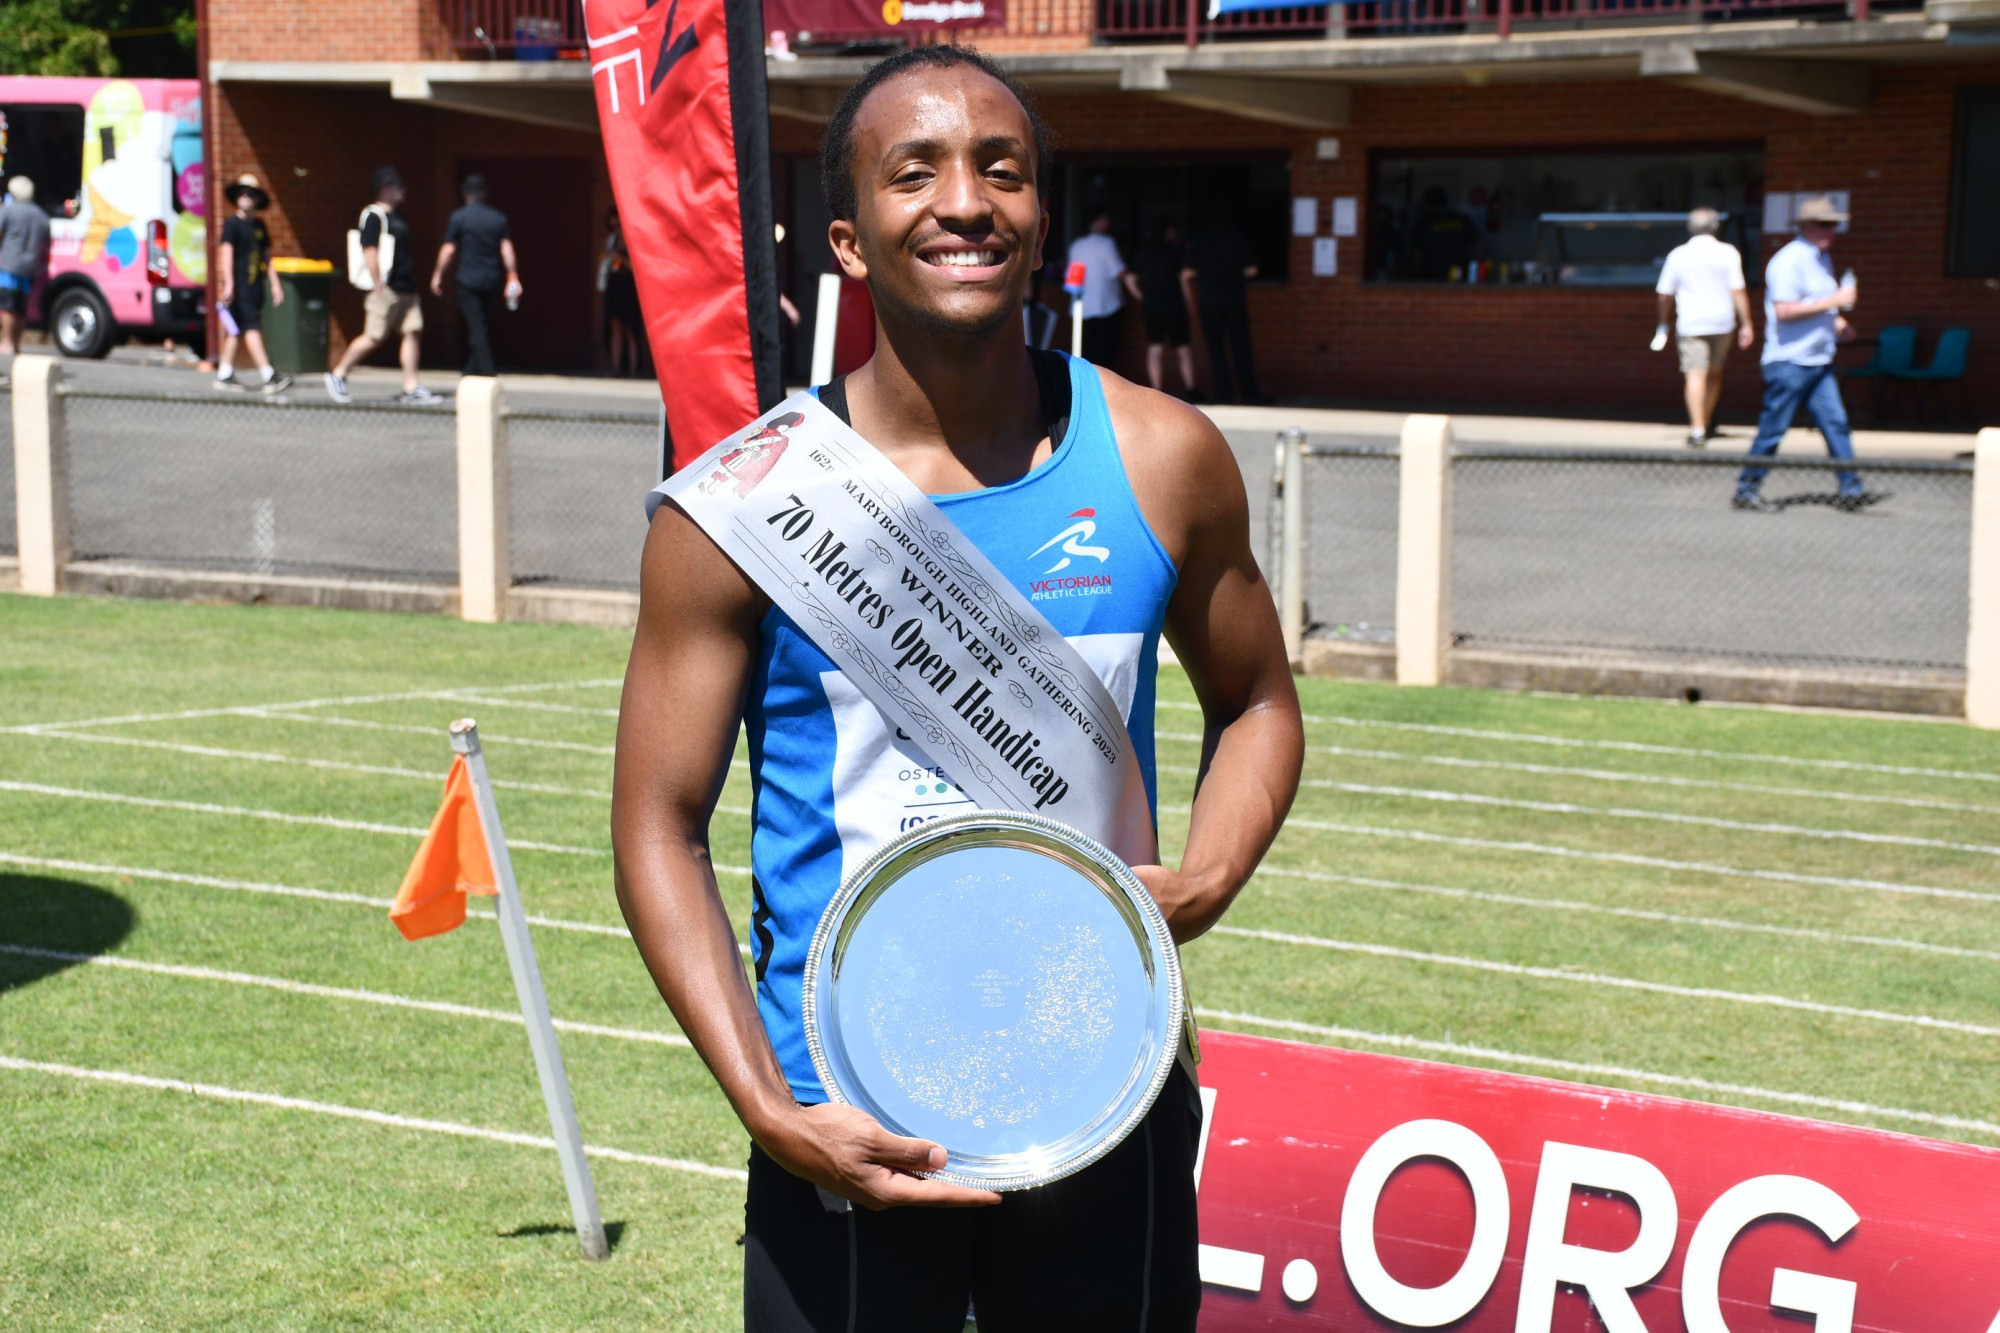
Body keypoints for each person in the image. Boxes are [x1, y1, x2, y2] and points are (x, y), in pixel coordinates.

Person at [610, 43, 1302, 1333]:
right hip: (844, 1107)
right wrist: (768, 1104)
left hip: (1098, 1085)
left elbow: (1257, 699)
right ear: (849, 239)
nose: (964, 202)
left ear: (1041, 220)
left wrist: (1209, 871)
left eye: (1002, 170)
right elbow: (656, 820)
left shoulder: (1162, 456)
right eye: (912, 172)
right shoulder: (745, 507)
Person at [1734, 196, 1883, 514]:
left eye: (1834, 224)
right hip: (1789, 362)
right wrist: (1834, 303)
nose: (1831, 230)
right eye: (1824, 224)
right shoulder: (1789, 261)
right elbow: (1785, 311)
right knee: (1773, 429)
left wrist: (1839, 322)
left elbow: (1816, 301)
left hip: (1819, 360)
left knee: (1837, 424)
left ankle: (1851, 488)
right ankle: (1747, 490)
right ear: (1805, 226)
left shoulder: (1820, 258)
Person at [325, 166, 435, 406]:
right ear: (385, 188)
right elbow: (369, 249)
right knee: (374, 336)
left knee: (412, 332)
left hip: (407, 287)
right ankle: (338, 373)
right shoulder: (373, 216)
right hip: (386, 288)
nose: (403, 191)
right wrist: (377, 283)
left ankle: (411, 387)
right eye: (398, 186)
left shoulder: (398, 216)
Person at [1654, 208, 1751, 448]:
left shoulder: (1678, 254)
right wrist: (1746, 323)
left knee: (1695, 374)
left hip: (1691, 323)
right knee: (1714, 374)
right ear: (1715, 228)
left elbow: (1664, 294)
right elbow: (1738, 289)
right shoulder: (1728, 252)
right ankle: (1704, 422)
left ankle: (1698, 429)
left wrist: (1663, 323)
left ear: (1690, 228)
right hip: (1723, 322)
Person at [430, 174, 520, 378]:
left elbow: (449, 250)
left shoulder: (459, 217)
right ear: (485, 194)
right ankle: (471, 369)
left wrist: (437, 274)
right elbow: (507, 250)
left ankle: (487, 371)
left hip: (468, 281)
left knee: (476, 326)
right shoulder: (498, 218)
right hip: (491, 280)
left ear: (465, 194)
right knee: (481, 325)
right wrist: (512, 276)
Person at [213, 174, 292, 394]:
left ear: (257, 199)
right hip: (240, 288)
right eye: (242, 193)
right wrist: (228, 284)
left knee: (235, 331)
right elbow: (226, 254)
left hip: (255, 287)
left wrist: (275, 284)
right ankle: (268, 374)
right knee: (251, 328)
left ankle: (224, 374)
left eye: (250, 194)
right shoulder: (232, 224)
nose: (246, 197)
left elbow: (267, 257)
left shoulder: (259, 226)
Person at [1182, 217, 1266, 404]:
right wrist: (1234, 274)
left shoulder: (1198, 240)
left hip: (1208, 301)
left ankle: (1223, 393)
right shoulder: (1236, 239)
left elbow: (1188, 273)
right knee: (1241, 347)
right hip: (1234, 299)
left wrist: (1207, 273)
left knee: (1215, 349)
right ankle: (1249, 392)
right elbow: (1252, 270)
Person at [1127, 219, 1196, 398]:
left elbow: (1130, 279)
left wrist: (1142, 297)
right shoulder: (1174, 251)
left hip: (1151, 306)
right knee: (1182, 347)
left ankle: (1156, 390)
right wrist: (1190, 304)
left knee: (1155, 346)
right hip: (1174, 305)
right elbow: (1183, 279)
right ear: (1167, 232)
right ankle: (1191, 388)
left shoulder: (1142, 252)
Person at [1064, 209, 1126, 367]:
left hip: (1081, 306)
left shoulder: (1077, 245)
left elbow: (1070, 276)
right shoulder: (1107, 243)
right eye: (1105, 219)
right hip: (1106, 304)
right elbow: (1118, 270)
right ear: (1097, 221)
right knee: (1107, 351)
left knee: (1085, 352)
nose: (1108, 223)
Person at [0, 175, 51, 363]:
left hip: (10, 265)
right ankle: (16, 343)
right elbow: (47, 240)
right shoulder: (41, 215)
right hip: (30, 267)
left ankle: (6, 343)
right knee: (21, 308)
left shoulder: (9, 211)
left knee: (8, 307)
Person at [601, 209, 644, 377]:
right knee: (615, 327)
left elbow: (635, 266)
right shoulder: (611, 240)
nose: (616, 227)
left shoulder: (632, 240)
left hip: (629, 285)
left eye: (618, 223)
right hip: (614, 284)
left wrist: (620, 257)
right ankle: (615, 367)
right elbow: (604, 260)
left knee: (631, 329)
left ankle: (634, 369)